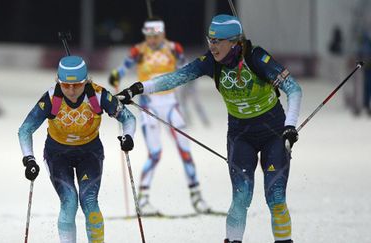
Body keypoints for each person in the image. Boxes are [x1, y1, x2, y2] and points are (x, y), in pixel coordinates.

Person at [116, 14, 302, 243]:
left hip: (273, 133)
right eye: (210, 40)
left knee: (275, 198)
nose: (212, 46)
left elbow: (294, 89)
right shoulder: (210, 62)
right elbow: (176, 78)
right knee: (241, 197)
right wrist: (137, 88)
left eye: (217, 41)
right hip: (240, 135)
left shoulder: (256, 57)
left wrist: (290, 126)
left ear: (234, 42)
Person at [18, 55, 136, 243]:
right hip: (57, 155)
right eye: (65, 85)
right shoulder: (51, 98)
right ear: (58, 81)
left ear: (86, 81)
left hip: (89, 153)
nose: (71, 90)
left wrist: (128, 137)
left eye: (77, 85)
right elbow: (25, 130)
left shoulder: (97, 95)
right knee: (70, 202)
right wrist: (28, 159)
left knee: (89, 202)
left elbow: (128, 119)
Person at [108, 17, 211, 215]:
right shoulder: (139, 50)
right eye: (148, 36)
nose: (152, 40)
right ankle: (144, 200)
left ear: (162, 34)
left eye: (155, 36)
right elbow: (122, 68)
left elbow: (188, 68)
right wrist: (116, 75)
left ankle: (197, 196)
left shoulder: (174, 48)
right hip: (149, 107)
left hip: (171, 104)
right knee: (155, 154)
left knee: (185, 150)